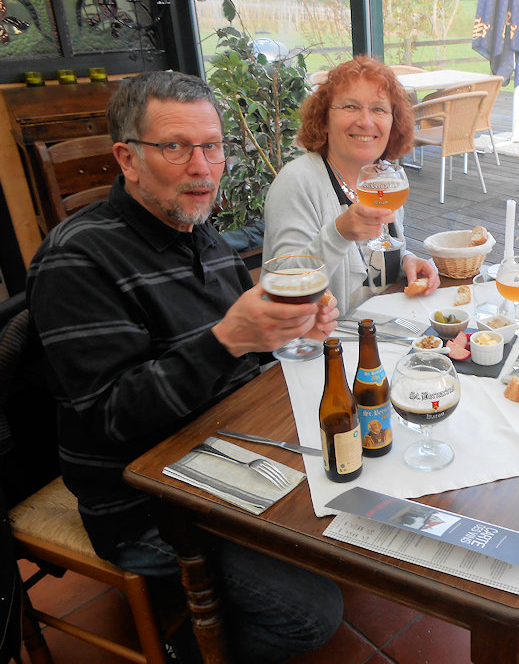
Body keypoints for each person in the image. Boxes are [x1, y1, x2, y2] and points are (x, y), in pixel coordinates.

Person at [26, 71, 343, 662]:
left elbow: (228, 353)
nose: (202, 166)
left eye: (213, 146)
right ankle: (183, 652)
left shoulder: (195, 231)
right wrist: (227, 339)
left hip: (223, 448)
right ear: (128, 157)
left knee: (364, 478)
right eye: (176, 146)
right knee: (310, 614)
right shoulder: (78, 260)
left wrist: (282, 329)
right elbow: (109, 417)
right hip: (141, 500)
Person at [263, 55, 439, 316]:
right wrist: (339, 233)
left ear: (394, 121)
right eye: (350, 107)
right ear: (324, 118)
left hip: (386, 332)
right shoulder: (298, 182)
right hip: (328, 346)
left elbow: (372, 257)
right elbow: (286, 281)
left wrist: (406, 261)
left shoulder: (383, 178)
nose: (366, 122)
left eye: (379, 109)